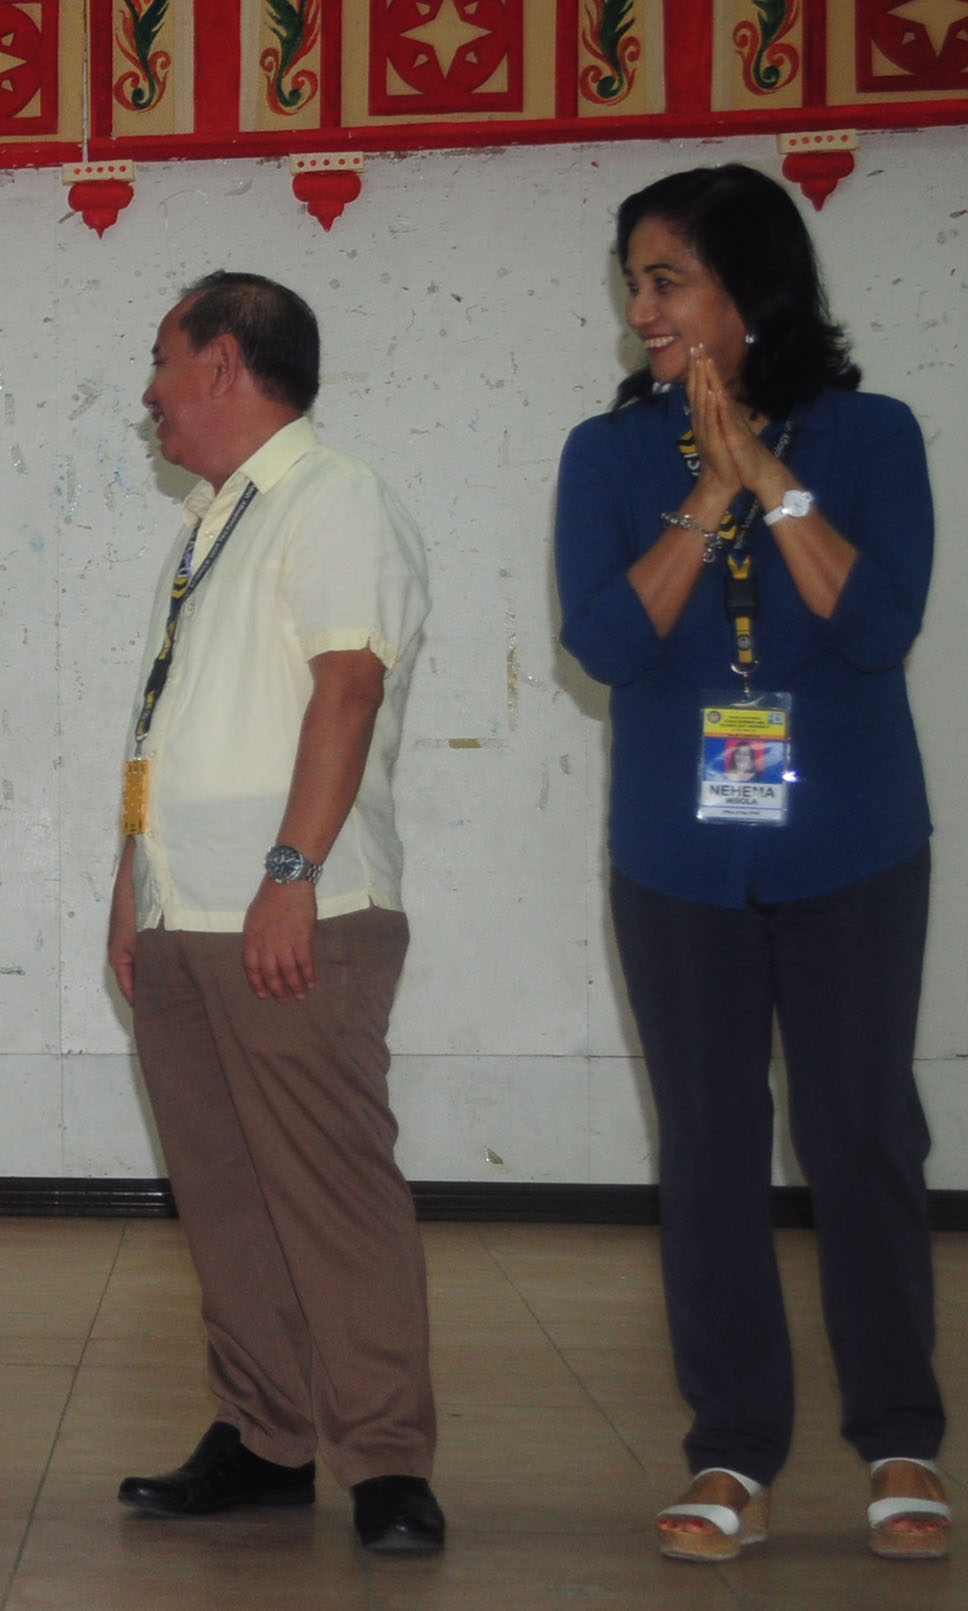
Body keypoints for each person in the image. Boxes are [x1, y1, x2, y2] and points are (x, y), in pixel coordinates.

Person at [554, 164, 945, 1564]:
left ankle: (901, 1432)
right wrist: (703, 489)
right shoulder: (608, 457)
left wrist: (769, 476)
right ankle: (733, 1448)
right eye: (635, 282)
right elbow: (605, 643)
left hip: (852, 845)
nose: (642, 308)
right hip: (678, 856)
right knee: (710, 1149)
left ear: (749, 290)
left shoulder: (875, 434)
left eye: (667, 279)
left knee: (859, 1134)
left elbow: (878, 621)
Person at [101, 273, 442, 1555]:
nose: (147, 391)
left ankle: (391, 1462)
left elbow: (345, 691)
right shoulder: (210, 523)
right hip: (184, 913)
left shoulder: (333, 496)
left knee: (329, 1191)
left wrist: (291, 875)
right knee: (226, 1192)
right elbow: (166, 731)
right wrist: (129, 892)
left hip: (295, 906)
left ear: (225, 362)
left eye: (160, 358)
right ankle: (263, 1435)